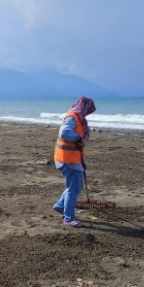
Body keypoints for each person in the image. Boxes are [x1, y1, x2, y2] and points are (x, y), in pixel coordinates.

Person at [52, 96, 96, 228]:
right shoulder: (72, 118)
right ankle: (69, 218)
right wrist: (78, 138)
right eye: (88, 109)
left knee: (74, 186)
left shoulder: (77, 118)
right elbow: (64, 133)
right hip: (67, 159)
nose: (88, 112)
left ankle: (60, 206)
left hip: (70, 158)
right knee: (74, 188)